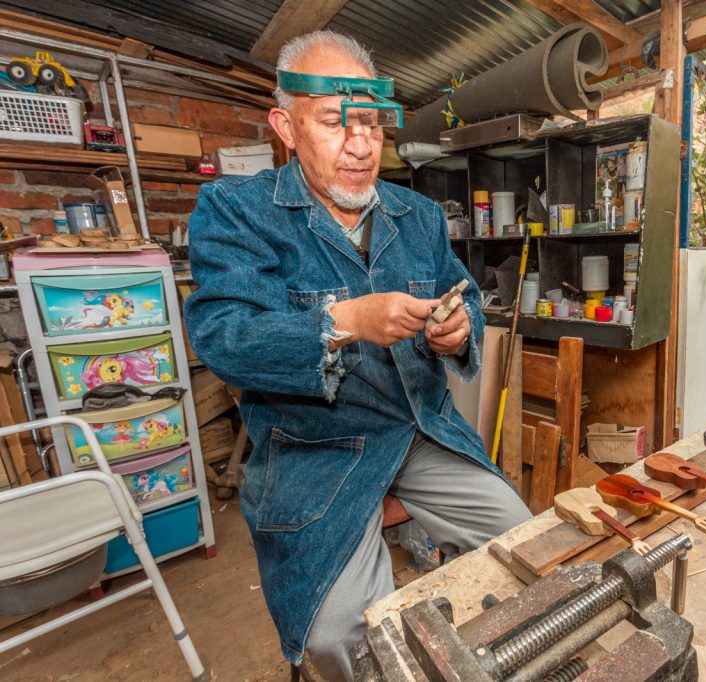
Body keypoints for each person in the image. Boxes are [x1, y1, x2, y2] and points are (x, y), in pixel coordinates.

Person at [184, 30, 532, 680]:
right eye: (335, 124)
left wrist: (459, 329)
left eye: (371, 124)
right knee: (343, 635)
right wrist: (344, 320)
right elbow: (225, 336)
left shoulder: (419, 216)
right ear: (286, 126)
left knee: (522, 542)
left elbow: (465, 300)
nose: (362, 145)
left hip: (420, 429)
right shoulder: (237, 211)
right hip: (315, 450)